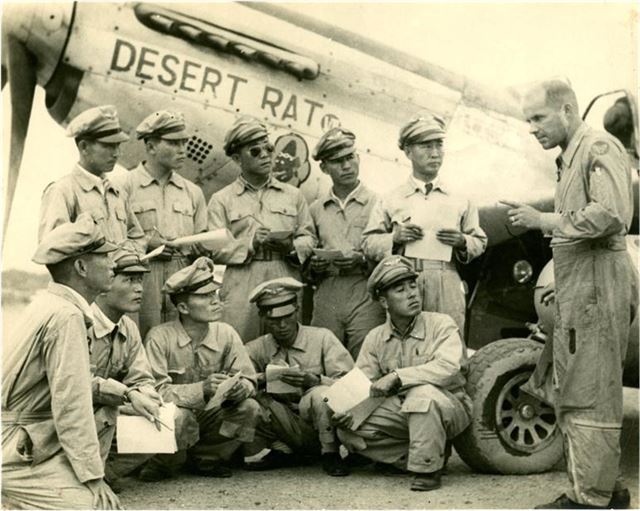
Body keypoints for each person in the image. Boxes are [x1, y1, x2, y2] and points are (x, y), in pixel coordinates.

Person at [503, 79, 635, 509]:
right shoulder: (571, 156)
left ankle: (589, 499)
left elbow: (612, 213)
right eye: (528, 121)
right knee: (579, 386)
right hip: (583, 288)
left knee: (591, 393)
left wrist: (543, 220)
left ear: (567, 110)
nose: (533, 128)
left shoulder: (598, 147)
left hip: (597, 286)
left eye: (539, 117)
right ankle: (605, 488)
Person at [2, 214, 121, 509]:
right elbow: (72, 404)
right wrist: (93, 477)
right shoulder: (65, 316)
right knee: (98, 506)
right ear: (81, 267)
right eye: (105, 256)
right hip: (14, 448)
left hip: (22, 436)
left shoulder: (50, 303)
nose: (113, 264)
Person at [334, 255, 471, 492]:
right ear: (384, 302)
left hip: (449, 406)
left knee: (422, 394)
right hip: (404, 410)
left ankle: (427, 468)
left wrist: (398, 376)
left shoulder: (441, 324)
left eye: (412, 286)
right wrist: (350, 410)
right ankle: (426, 453)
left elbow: (449, 367)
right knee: (347, 429)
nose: (412, 294)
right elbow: (364, 383)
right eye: (400, 289)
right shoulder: (376, 337)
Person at [361, 113, 487, 334]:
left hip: (446, 280)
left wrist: (462, 241)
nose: (435, 153)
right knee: (404, 344)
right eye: (426, 146)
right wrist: (394, 238)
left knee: (447, 345)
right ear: (408, 152)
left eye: (439, 145)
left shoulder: (460, 198)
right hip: (404, 280)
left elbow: (479, 240)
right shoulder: (391, 198)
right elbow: (368, 242)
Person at [142, 257, 262, 480]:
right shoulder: (159, 337)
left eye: (214, 294)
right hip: (178, 415)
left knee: (249, 408)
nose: (215, 301)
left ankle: (208, 459)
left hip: (209, 416)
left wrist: (240, 389)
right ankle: (163, 462)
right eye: (205, 296)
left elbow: (249, 379)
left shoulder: (225, 332)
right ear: (183, 307)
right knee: (179, 416)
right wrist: (202, 389)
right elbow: (153, 392)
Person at [207, 117, 316, 342]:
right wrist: (251, 243)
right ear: (237, 158)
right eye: (255, 151)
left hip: (283, 274)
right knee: (238, 345)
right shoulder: (222, 199)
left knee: (286, 346)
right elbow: (214, 249)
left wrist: (292, 248)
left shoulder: (293, 195)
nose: (266, 155)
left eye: (268, 148)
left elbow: (308, 237)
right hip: (242, 280)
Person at [242, 277, 354, 476]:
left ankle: (330, 453)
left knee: (320, 394)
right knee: (248, 398)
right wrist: (262, 379)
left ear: (297, 309)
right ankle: (281, 450)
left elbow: (350, 385)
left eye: (288, 317)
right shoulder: (255, 348)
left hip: (319, 423)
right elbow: (238, 382)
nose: (282, 325)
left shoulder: (322, 338)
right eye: (274, 320)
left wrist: (316, 380)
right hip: (282, 423)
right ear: (262, 317)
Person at [113, 110, 209, 337]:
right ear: (151, 146)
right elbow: (113, 239)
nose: (183, 149)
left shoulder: (193, 192)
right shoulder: (124, 187)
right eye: (174, 143)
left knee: (180, 341)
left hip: (182, 277)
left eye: (184, 142)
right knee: (140, 339)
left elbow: (203, 239)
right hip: (141, 277)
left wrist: (202, 248)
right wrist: (146, 243)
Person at [88, 243, 164, 484]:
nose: (139, 289)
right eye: (129, 280)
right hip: (67, 419)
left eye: (140, 281)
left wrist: (147, 396)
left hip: (103, 416)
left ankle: (105, 475)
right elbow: (75, 384)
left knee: (169, 417)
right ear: (104, 285)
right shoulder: (79, 322)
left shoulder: (128, 327)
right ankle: (83, 477)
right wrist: (130, 395)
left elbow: (141, 377)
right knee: (109, 411)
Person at [307, 127, 385, 358]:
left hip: (366, 294)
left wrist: (363, 261)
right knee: (321, 359)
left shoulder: (379, 204)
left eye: (350, 157)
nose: (347, 166)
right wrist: (314, 266)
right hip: (327, 296)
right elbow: (304, 258)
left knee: (364, 363)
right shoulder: (316, 209)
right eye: (338, 161)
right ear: (324, 167)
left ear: (358, 157)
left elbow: (393, 254)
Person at [39, 105, 145, 252]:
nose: (117, 153)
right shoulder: (63, 191)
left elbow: (137, 237)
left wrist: (128, 257)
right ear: (84, 147)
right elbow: (52, 248)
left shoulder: (118, 193)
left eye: (118, 145)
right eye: (108, 146)